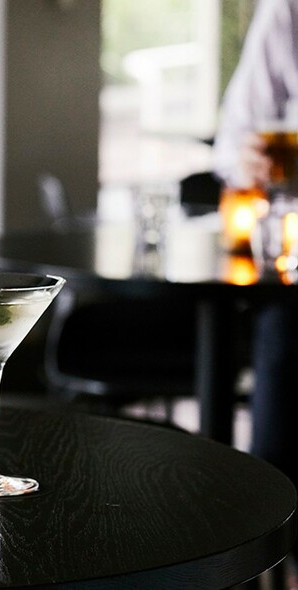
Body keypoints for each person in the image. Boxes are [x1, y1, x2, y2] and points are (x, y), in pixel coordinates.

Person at [213, 0, 298, 499]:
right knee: (284, 329)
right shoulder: (287, 10)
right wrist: (245, 155)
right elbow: (233, 139)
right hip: (292, 277)